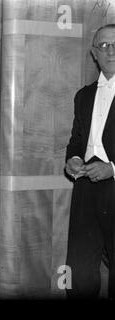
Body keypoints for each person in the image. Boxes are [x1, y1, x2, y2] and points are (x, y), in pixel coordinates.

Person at [65, 23, 115, 299]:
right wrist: (72, 159)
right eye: (103, 45)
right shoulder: (83, 95)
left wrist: (112, 169)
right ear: (94, 53)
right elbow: (76, 140)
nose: (110, 51)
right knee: (80, 269)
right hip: (85, 190)